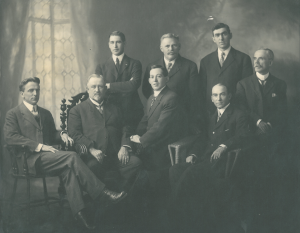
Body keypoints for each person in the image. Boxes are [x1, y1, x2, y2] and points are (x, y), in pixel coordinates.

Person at [4, 77, 127, 230]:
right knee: (71, 156)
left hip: (47, 159)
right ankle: (103, 193)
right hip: (27, 161)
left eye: (37, 90)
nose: (35, 93)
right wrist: (40, 146)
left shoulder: (45, 113)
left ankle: (80, 215)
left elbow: (52, 134)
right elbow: (10, 137)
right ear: (22, 94)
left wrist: (62, 134)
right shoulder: (13, 114)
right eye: (30, 90)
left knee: (68, 169)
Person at [169, 83, 250, 233]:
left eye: (222, 94)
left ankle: (175, 218)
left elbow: (243, 136)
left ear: (229, 96)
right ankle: (188, 215)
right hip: (204, 160)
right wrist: (193, 154)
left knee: (190, 174)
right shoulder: (212, 116)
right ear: (211, 98)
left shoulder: (238, 114)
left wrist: (224, 146)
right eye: (215, 95)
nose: (218, 98)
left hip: (221, 163)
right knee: (175, 170)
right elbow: (203, 140)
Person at [68, 74, 142, 193]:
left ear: (105, 89)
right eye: (93, 87)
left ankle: (121, 194)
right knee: (93, 168)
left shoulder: (115, 108)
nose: (97, 90)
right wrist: (91, 149)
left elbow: (126, 127)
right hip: (95, 156)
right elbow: (74, 133)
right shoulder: (77, 110)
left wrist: (124, 146)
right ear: (87, 89)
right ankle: (105, 199)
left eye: (100, 86)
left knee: (135, 163)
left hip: (117, 154)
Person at [142, 33, 201, 133]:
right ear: (161, 48)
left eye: (174, 45)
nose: (171, 49)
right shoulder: (151, 66)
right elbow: (147, 90)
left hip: (179, 118)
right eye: (167, 46)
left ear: (179, 47)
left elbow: (194, 95)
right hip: (156, 116)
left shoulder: (190, 66)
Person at [131, 65, 183, 172]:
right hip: (151, 141)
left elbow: (161, 126)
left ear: (166, 79)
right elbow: (145, 120)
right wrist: (134, 135)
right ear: (149, 80)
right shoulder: (151, 98)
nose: (154, 80)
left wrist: (141, 140)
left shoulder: (171, 97)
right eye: (152, 77)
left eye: (158, 76)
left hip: (162, 145)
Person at [236, 48, 287, 151]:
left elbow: (281, 109)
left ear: (270, 62)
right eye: (255, 58)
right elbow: (242, 108)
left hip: (273, 132)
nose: (256, 62)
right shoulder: (243, 84)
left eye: (261, 59)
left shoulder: (280, 84)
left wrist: (268, 125)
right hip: (250, 132)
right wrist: (258, 122)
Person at [95, 31, 143, 132]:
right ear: (108, 45)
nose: (115, 45)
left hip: (132, 112)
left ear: (124, 43)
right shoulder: (101, 67)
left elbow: (134, 85)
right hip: (110, 113)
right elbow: (99, 88)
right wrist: (126, 85)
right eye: (112, 42)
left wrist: (108, 86)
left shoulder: (134, 64)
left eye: (118, 42)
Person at [199, 23, 253, 113]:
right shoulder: (205, 61)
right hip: (211, 112)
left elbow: (247, 89)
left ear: (230, 35)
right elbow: (201, 90)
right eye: (217, 35)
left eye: (224, 34)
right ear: (213, 39)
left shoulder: (243, 58)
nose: (221, 38)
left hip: (235, 111)